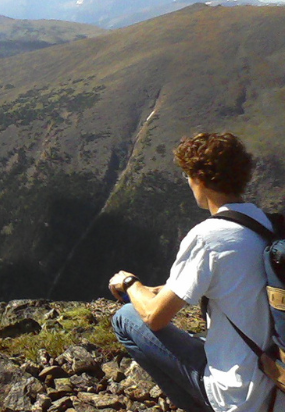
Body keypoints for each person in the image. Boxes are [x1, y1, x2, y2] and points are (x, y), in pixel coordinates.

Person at [109, 132, 282, 412]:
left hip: (237, 396)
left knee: (126, 318)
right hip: (277, 387)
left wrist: (129, 283)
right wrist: (159, 289)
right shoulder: (269, 225)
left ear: (199, 180)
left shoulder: (208, 237)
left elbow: (154, 317)